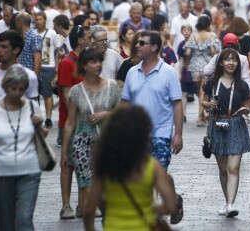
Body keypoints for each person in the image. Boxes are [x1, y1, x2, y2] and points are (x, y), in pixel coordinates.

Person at [82, 104, 179, 231]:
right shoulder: (151, 166)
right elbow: (171, 206)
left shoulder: (106, 165)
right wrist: (149, 209)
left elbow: (89, 208)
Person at [0, 65, 46, 231]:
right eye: (13, 88)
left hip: (29, 171)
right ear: (5, 87)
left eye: (21, 89)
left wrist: (40, 125)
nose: (17, 93)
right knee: (4, 223)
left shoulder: (31, 107)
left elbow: (42, 135)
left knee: (24, 219)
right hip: (1, 172)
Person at [62, 48, 121, 217]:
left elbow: (122, 113)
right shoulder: (76, 91)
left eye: (99, 61)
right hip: (82, 141)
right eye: (93, 62)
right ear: (84, 66)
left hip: (106, 142)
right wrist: (65, 153)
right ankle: (90, 213)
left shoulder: (112, 86)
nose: (98, 65)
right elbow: (70, 122)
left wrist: (106, 114)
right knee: (86, 182)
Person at [122, 30, 184, 172]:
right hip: (137, 136)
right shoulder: (132, 72)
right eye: (137, 42)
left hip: (161, 135)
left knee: (157, 177)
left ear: (154, 47)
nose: (137, 45)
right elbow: (125, 103)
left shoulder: (169, 72)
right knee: (139, 178)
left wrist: (178, 134)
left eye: (142, 43)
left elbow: (177, 104)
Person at [201, 48, 250, 217]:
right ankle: (227, 201)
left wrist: (244, 111)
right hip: (217, 125)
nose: (231, 63)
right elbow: (204, 101)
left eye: (234, 60)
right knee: (223, 169)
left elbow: (248, 107)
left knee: (234, 168)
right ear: (221, 63)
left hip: (236, 125)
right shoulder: (212, 82)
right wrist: (209, 106)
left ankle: (231, 204)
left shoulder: (242, 85)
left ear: (238, 64)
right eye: (227, 60)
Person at [56, 25, 93, 219]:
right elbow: (66, 94)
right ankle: (66, 205)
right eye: (89, 37)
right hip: (70, 121)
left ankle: (82, 205)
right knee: (68, 164)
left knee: (83, 163)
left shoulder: (85, 63)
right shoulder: (67, 63)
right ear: (80, 41)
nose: (92, 40)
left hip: (86, 123)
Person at [185, 15, 218, 126]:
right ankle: (201, 117)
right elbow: (213, 51)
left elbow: (188, 52)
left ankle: (203, 114)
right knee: (202, 92)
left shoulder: (192, 36)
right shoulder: (211, 35)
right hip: (207, 65)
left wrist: (187, 62)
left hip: (194, 66)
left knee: (199, 91)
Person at [33, 12, 61, 128]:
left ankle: (48, 117)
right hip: (35, 66)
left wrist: (57, 69)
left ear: (45, 20)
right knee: (34, 93)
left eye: (40, 19)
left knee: (47, 93)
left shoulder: (52, 33)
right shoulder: (33, 34)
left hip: (48, 65)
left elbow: (58, 50)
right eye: (36, 19)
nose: (38, 21)